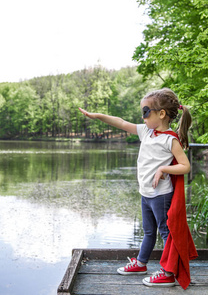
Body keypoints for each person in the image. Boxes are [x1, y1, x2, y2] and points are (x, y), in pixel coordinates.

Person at [79, 88, 197, 288]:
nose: (142, 117)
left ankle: (169, 273)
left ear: (161, 114)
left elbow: (185, 166)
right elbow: (121, 122)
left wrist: (163, 169)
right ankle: (141, 263)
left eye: (145, 112)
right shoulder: (146, 132)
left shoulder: (170, 139)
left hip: (161, 195)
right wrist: (97, 116)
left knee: (167, 233)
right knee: (148, 231)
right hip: (146, 193)